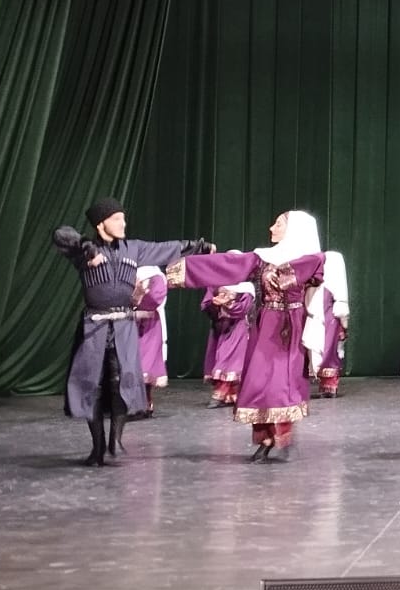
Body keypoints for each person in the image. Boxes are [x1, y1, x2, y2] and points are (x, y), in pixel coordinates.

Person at [50, 198, 210, 467]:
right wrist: (86, 246)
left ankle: (116, 439)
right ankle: (97, 447)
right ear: (101, 224)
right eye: (117, 219)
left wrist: (198, 246)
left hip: (123, 327)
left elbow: (166, 249)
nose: (123, 223)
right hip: (94, 326)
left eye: (123, 218)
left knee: (122, 382)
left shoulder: (133, 248)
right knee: (93, 385)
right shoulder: (83, 252)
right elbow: (60, 234)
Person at [167, 211, 327, 461]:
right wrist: (183, 268)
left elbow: (290, 276)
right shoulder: (263, 257)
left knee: (281, 385)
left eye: (279, 224)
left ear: (295, 230)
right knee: (258, 382)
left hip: (290, 329)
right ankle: (265, 437)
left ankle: (279, 434)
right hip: (264, 325)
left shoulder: (312, 259)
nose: (271, 228)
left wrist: (269, 267)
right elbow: (228, 265)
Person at [202, 277, 254, 408]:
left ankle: (220, 393)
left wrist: (227, 304)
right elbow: (205, 304)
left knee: (228, 360)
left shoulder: (245, 287)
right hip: (219, 328)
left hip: (237, 328)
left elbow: (243, 308)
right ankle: (233, 394)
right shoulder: (215, 283)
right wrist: (214, 304)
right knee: (219, 357)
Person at [132, 266, 169, 418]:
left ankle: (145, 403)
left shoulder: (156, 275)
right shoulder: (129, 271)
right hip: (129, 323)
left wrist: (137, 297)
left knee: (145, 365)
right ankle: (133, 403)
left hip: (150, 325)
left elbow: (155, 298)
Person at [316, 250, 350, 398]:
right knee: (329, 350)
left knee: (328, 350)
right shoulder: (318, 286)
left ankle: (328, 384)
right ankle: (328, 385)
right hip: (327, 319)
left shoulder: (322, 287)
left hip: (327, 318)